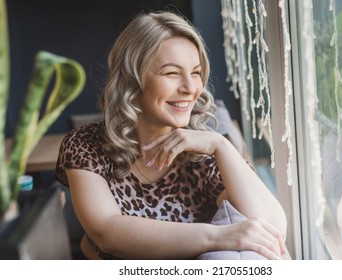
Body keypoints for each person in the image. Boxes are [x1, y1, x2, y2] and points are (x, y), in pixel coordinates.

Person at [55, 10, 288, 260]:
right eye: (172, 73)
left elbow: (273, 231)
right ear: (132, 81)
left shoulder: (205, 153)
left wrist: (220, 144)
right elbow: (107, 232)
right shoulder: (86, 145)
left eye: (196, 73)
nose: (190, 88)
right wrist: (217, 237)